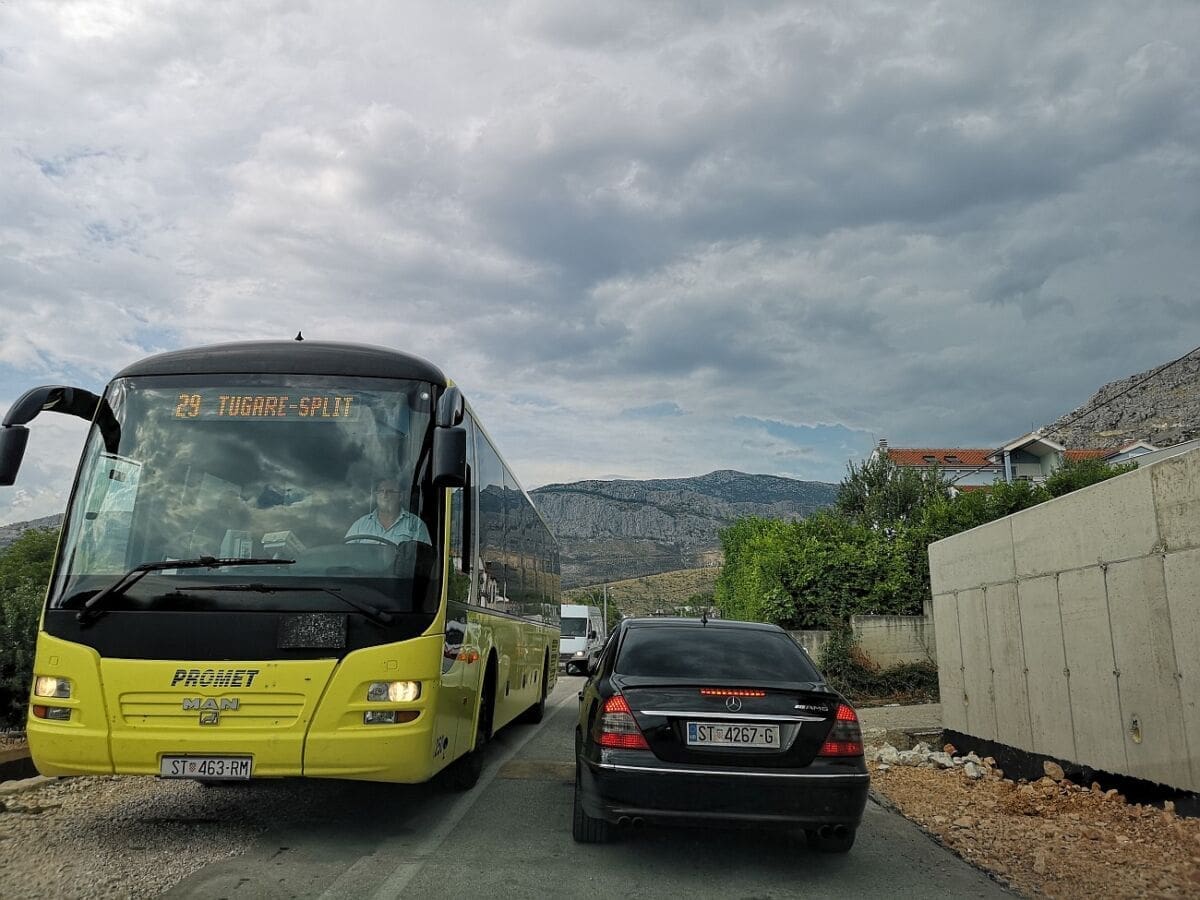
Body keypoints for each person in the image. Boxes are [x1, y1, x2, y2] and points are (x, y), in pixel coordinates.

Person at [345, 477, 431, 545]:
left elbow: (424, 557)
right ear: (376, 496)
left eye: (390, 491)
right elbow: (346, 553)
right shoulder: (360, 525)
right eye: (381, 491)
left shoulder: (416, 525)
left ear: (400, 496)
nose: (385, 495)